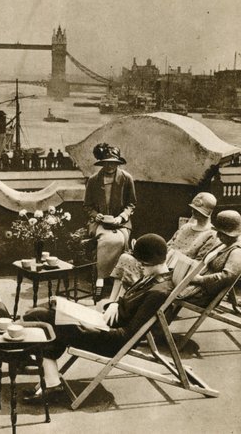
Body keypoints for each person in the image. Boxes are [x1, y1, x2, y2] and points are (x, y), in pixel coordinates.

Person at [22, 234, 173, 404]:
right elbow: (128, 303)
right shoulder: (153, 279)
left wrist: (91, 326)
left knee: (40, 319)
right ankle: (51, 380)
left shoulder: (158, 292)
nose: (139, 266)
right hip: (102, 324)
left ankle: (51, 382)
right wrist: (115, 304)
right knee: (48, 313)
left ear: (152, 261)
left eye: (142, 263)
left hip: (109, 340)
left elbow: (127, 335)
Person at [108, 192, 218, 302]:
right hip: (161, 261)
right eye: (193, 208)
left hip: (174, 272)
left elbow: (198, 264)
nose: (193, 211)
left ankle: (122, 302)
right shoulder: (186, 227)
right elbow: (167, 246)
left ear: (208, 213)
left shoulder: (211, 235)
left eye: (198, 210)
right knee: (126, 258)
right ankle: (113, 301)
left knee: (133, 263)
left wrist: (173, 257)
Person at [83, 143, 136, 300]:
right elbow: (87, 206)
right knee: (109, 239)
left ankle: (115, 282)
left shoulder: (127, 179)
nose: (110, 165)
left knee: (120, 239)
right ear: (102, 163)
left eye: (113, 162)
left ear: (118, 163)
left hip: (121, 222)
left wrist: (121, 217)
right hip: (99, 223)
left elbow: (131, 204)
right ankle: (101, 279)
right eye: (107, 162)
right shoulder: (93, 181)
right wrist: (96, 215)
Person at [177, 210, 241, 306]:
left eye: (221, 233)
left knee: (161, 292)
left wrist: (201, 280)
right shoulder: (224, 244)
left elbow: (227, 276)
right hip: (196, 286)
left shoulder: (237, 251)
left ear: (232, 234)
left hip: (203, 293)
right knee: (160, 287)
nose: (218, 236)